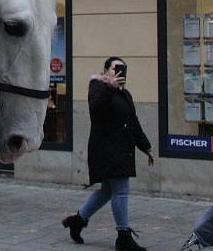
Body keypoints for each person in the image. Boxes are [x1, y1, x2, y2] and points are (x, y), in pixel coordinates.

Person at [62, 57, 154, 251]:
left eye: (122, 68)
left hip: (122, 150)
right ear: (105, 71)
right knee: (120, 189)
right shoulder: (97, 87)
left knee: (107, 191)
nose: (119, 72)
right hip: (105, 150)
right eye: (115, 68)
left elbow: (133, 122)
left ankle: (77, 221)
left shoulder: (125, 94)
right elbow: (95, 111)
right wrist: (109, 87)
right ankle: (123, 237)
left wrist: (146, 147)